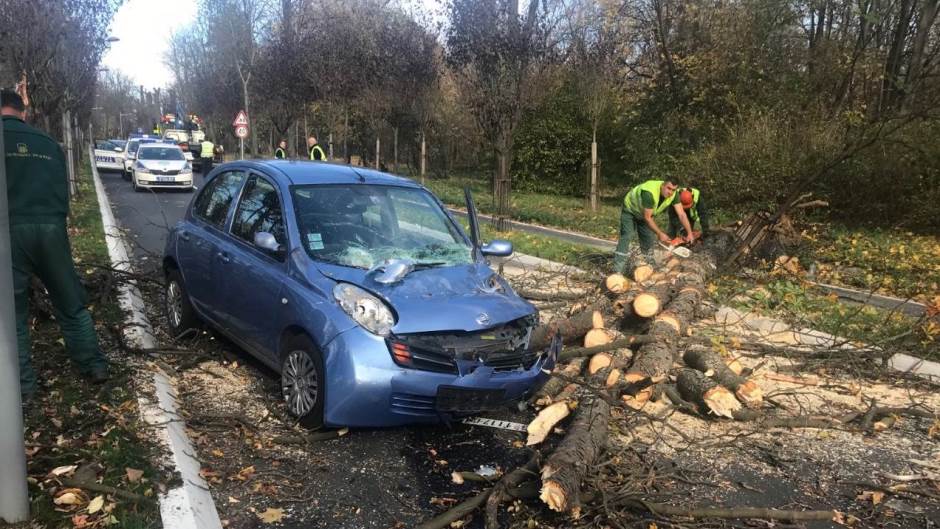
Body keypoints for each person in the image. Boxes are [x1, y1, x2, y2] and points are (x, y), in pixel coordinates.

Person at [2, 90, 109, 400]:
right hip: (51, 227)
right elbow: (61, 187)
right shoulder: (48, 144)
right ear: (23, 111)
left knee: (12, 313)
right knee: (70, 300)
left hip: (9, 231)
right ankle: (94, 365)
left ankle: (24, 388)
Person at [612, 179, 693, 275]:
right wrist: (660, 233)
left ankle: (649, 267)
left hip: (645, 214)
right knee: (627, 236)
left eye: (673, 190)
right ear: (662, 185)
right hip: (631, 210)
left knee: (648, 239)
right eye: (668, 188)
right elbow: (648, 218)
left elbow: (682, 215)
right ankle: (618, 269)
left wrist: (689, 233)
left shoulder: (674, 195)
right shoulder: (649, 193)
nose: (670, 192)